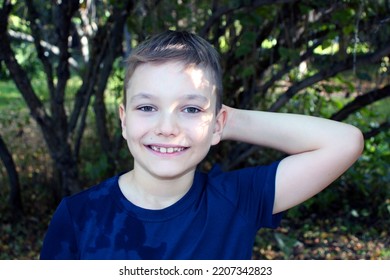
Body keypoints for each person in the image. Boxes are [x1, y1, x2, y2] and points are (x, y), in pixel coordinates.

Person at [40, 30, 364, 260]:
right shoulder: (78, 215)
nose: (167, 128)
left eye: (191, 109)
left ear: (218, 123)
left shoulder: (237, 200)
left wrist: (222, 122)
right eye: (147, 107)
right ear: (124, 120)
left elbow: (343, 142)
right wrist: (204, 118)